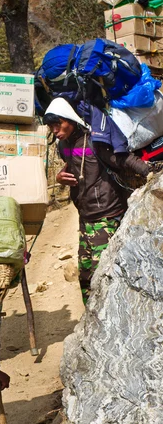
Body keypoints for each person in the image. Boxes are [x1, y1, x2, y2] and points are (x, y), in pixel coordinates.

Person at [43, 97, 151, 304]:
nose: (55, 129)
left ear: (70, 119)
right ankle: (91, 324)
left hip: (106, 216)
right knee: (86, 277)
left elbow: (121, 159)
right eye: (51, 126)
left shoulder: (94, 141)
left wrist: (149, 172)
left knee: (105, 274)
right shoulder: (63, 146)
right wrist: (58, 178)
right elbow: (70, 168)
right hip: (85, 217)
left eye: (58, 123)